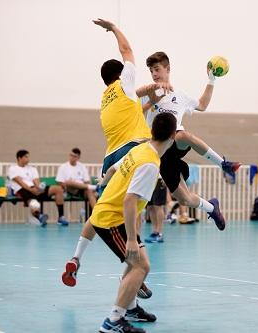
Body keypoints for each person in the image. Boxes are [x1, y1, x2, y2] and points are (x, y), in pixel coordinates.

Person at [61, 18, 167, 299]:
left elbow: (138, 100)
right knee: (134, 208)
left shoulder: (106, 99)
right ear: (121, 75)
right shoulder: (124, 85)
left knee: (101, 214)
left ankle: (76, 258)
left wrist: (153, 93)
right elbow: (127, 50)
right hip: (133, 152)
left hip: (110, 158)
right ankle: (135, 264)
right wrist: (114, 29)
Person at [94, 112, 176, 333]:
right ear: (172, 137)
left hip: (114, 214)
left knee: (135, 263)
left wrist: (102, 182)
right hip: (112, 219)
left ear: (152, 132)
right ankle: (113, 319)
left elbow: (112, 169)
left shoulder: (140, 149)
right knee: (141, 266)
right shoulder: (150, 163)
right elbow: (130, 200)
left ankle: (129, 309)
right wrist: (131, 239)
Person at [140, 51, 241, 184]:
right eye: (151, 71)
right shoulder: (147, 92)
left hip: (173, 143)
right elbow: (136, 114)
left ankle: (223, 165)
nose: (154, 74)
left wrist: (211, 80)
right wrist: (151, 102)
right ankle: (211, 206)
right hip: (155, 147)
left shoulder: (180, 95)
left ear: (168, 69)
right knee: (186, 199)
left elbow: (203, 105)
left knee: (182, 135)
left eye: (157, 69)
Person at [8, 149, 69, 226]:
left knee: (58, 189)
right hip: (21, 189)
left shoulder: (32, 169)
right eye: (26, 157)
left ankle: (61, 217)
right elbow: (20, 182)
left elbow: (37, 182)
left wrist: (40, 188)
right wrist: (31, 190)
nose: (28, 159)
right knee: (34, 203)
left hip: (34, 189)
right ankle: (39, 216)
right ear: (19, 158)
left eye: (28, 157)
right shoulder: (13, 169)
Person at [144, 177, 167, 243]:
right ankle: (155, 231)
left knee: (158, 206)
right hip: (149, 180)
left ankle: (159, 233)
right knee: (150, 206)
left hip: (160, 180)